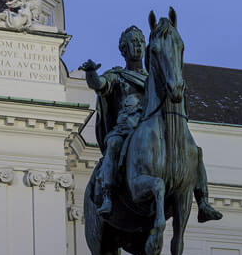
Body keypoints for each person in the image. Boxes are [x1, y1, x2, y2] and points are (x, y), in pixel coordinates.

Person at [80, 26, 222, 222]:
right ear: (123, 49)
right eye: (133, 42)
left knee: (194, 151)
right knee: (113, 145)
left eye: (140, 41)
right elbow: (100, 85)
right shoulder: (118, 75)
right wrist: (90, 73)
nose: (137, 45)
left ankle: (203, 201)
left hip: (156, 130)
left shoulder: (155, 79)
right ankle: (108, 196)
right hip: (126, 127)